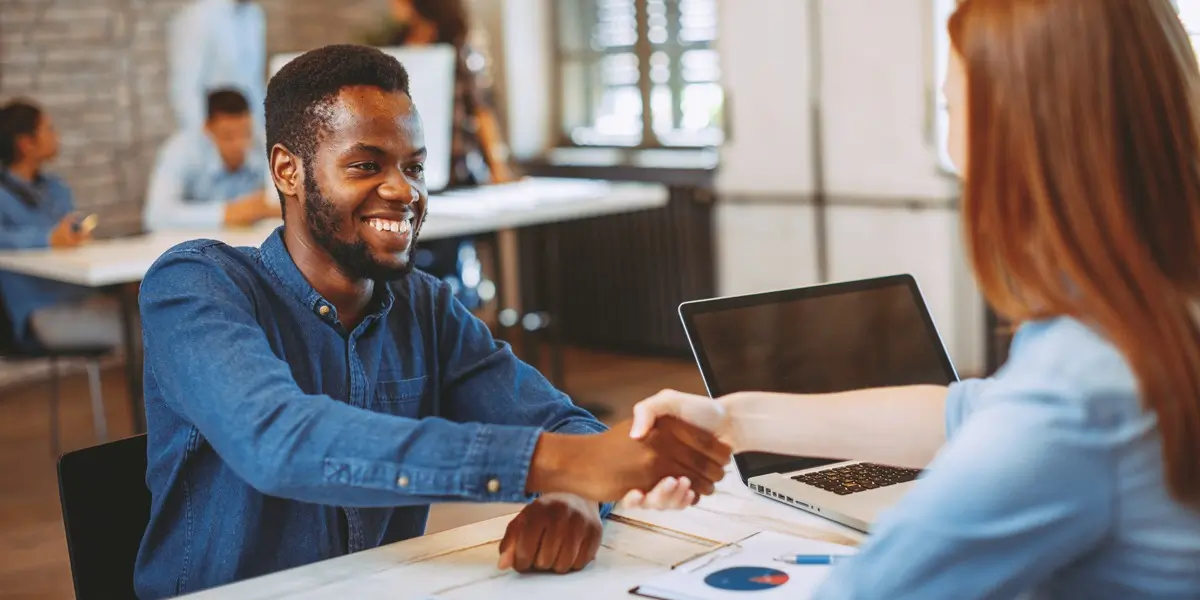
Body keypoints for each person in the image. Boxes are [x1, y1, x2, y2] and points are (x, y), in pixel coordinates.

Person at [622, 0, 1200, 597]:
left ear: (1016, 131)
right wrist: (733, 420)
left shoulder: (1082, 384)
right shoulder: (1152, 316)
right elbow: (974, 413)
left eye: (952, 106)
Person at [132, 44, 730, 598]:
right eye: (366, 165)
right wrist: (557, 464)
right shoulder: (194, 285)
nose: (403, 191)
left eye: (414, 167)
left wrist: (574, 495)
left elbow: (564, 424)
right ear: (288, 171)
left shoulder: (423, 305)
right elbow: (281, 442)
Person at [365, 0, 514, 310]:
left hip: (455, 170)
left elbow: (481, 109)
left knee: (449, 261)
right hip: (407, 168)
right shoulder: (396, 46)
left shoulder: (458, 48)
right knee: (407, 255)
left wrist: (498, 166)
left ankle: (451, 329)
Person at [0, 100, 122, 351]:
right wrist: (48, 238)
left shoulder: (56, 188)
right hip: (42, 313)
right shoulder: (3, 195)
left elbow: (71, 230)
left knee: (151, 314)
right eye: (49, 129)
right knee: (141, 329)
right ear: (25, 143)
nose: (56, 136)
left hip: (84, 298)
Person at [143, 89, 277, 232]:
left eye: (246, 134)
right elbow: (157, 217)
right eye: (228, 136)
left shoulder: (265, 145)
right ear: (208, 129)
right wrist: (227, 213)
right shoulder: (182, 151)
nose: (240, 145)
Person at [168, 0, 266, 131]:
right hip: (214, 129)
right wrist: (201, 137)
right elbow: (186, 85)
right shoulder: (199, 16)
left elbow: (254, 81)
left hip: (245, 131)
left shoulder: (254, 15)